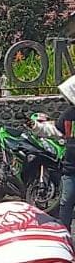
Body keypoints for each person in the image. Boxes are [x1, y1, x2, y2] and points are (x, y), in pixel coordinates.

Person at [56, 99, 75, 231]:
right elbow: (55, 130)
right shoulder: (68, 114)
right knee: (66, 203)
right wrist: (36, 126)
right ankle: (64, 235)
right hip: (70, 168)